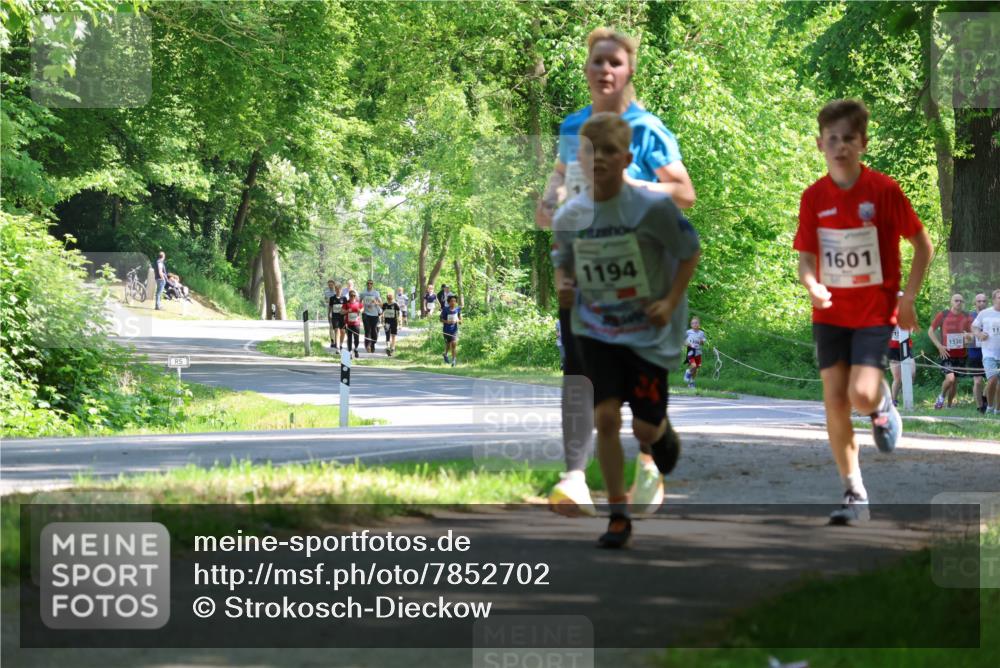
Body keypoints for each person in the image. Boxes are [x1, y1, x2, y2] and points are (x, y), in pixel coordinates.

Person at [537, 27, 697, 520]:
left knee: (638, 380)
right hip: (585, 270)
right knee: (578, 371)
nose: (605, 70)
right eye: (597, 61)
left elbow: (684, 193)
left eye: (615, 62)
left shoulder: (647, 129)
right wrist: (550, 199)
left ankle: (649, 455)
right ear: (586, 68)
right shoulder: (573, 126)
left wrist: (631, 184)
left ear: (629, 71)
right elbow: (562, 179)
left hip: (639, 277)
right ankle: (574, 476)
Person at [554, 112, 700, 548]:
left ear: (627, 159)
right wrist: (565, 285)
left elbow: (689, 251)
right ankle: (618, 514)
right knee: (604, 417)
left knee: (643, 430)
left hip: (646, 332)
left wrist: (669, 302)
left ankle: (661, 430)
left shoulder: (651, 208)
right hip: (597, 329)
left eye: (609, 152)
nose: (599, 160)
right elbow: (564, 263)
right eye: (590, 152)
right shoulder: (571, 215)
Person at [794, 99, 933, 525]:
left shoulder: (884, 191)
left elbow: (923, 245)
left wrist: (908, 298)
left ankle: (881, 404)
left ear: (863, 144)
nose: (840, 146)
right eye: (832, 139)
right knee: (834, 400)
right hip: (830, 313)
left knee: (860, 394)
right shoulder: (814, 197)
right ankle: (854, 492)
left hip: (875, 311)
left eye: (848, 139)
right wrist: (812, 284)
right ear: (819, 144)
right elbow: (805, 258)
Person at [928, 295, 973, 409]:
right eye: (956, 300)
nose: (959, 302)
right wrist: (939, 346)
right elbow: (930, 331)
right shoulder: (943, 315)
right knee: (950, 379)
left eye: (961, 301)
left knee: (954, 381)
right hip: (946, 353)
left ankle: (949, 405)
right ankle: (941, 397)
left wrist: (968, 337)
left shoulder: (967, 316)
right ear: (951, 302)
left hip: (961, 354)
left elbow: (972, 335)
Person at [971, 289, 1000, 415]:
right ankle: (990, 406)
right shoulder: (985, 313)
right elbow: (974, 327)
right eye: (999, 297)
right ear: (994, 299)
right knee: (992, 379)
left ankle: (997, 410)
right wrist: (979, 334)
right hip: (989, 353)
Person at [969, 293, 989, 412]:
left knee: (994, 379)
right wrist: (970, 336)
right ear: (975, 303)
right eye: (979, 301)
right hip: (975, 353)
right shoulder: (969, 317)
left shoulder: (992, 315)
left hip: (990, 352)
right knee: (977, 381)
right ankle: (980, 407)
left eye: (984, 301)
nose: (981, 303)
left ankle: (985, 397)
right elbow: (963, 334)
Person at [887, 323, 912, 406]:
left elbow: (910, 331)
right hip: (892, 348)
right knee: (897, 378)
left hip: (906, 346)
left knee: (912, 373)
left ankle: (903, 391)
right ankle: (893, 401)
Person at [683, 316, 706, 389]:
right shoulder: (688, 332)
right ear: (691, 325)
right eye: (693, 323)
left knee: (696, 368)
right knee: (694, 366)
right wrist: (690, 344)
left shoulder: (701, 333)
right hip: (691, 352)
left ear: (699, 324)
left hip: (698, 353)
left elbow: (703, 342)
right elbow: (684, 342)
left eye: (696, 323)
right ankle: (688, 372)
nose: (695, 324)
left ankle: (692, 382)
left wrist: (701, 341)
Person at [360, 280, 382, 354]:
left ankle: (373, 344)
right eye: (368, 283)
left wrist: (376, 302)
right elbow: (359, 302)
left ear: (372, 285)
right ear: (366, 284)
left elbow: (381, 303)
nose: (369, 284)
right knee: (367, 330)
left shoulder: (376, 293)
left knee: (374, 331)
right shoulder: (363, 293)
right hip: (366, 314)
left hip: (374, 314)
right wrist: (361, 309)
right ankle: (368, 345)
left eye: (371, 283)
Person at [440, 294, 462, 366]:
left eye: (455, 301)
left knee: (453, 344)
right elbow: (441, 319)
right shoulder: (445, 309)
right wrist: (447, 322)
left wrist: (458, 321)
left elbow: (460, 320)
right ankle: (445, 354)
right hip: (446, 330)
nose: (453, 303)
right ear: (449, 302)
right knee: (448, 344)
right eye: (452, 301)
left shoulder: (458, 309)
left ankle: (453, 361)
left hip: (454, 330)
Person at [343, 290, 363, 358]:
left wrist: (360, 310)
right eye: (351, 296)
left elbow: (362, 308)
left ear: (355, 296)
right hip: (349, 324)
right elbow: (341, 312)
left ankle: (356, 349)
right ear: (349, 296)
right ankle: (350, 352)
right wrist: (347, 311)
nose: (353, 297)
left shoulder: (358, 303)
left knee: (356, 338)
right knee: (349, 339)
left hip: (356, 324)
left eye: (354, 296)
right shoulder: (346, 303)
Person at [324, 280, 340, 349]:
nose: (330, 286)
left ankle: (337, 341)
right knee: (331, 326)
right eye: (329, 285)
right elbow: (325, 300)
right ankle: (332, 341)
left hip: (336, 310)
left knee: (337, 327)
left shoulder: (336, 292)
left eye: (331, 285)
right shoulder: (326, 292)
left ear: (334, 285)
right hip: (330, 309)